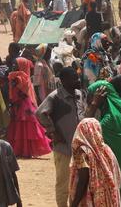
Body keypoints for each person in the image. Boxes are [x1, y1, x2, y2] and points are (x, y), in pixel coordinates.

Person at [35, 67, 85, 207]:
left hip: (79, 147)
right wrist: (53, 131)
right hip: (63, 148)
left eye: (78, 77)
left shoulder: (79, 94)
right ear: (63, 81)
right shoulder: (55, 97)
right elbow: (39, 113)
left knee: (78, 182)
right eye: (74, 78)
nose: (78, 80)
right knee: (63, 182)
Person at [68, 118, 121, 207]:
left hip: (91, 200)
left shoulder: (83, 152)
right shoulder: (107, 151)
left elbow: (83, 181)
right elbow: (117, 175)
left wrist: (74, 204)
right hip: (108, 199)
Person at [7, 61, 51, 158]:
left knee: (25, 128)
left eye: (16, 64)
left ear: (21, 66)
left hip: (22, 105)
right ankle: (22, 150)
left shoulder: (21, 77)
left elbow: (18, 90)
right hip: (18, 105)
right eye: (13, 64)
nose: (13, 66)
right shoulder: (17, 76)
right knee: (21, 128)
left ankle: (25, 150)